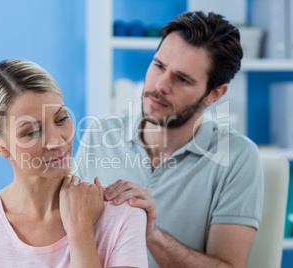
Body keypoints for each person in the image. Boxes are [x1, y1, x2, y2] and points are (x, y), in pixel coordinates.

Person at [74, 11, 263, 268]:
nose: (161, 85)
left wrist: (152, 235)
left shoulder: (237, 157)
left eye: (182, 79)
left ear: (214, 94)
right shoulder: (99, 135)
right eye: (159, 66)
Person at [0, 59, 148, 268]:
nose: (57, 142)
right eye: (31, 132)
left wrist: (80, 232)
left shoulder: (122, 214)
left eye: (61, 120)